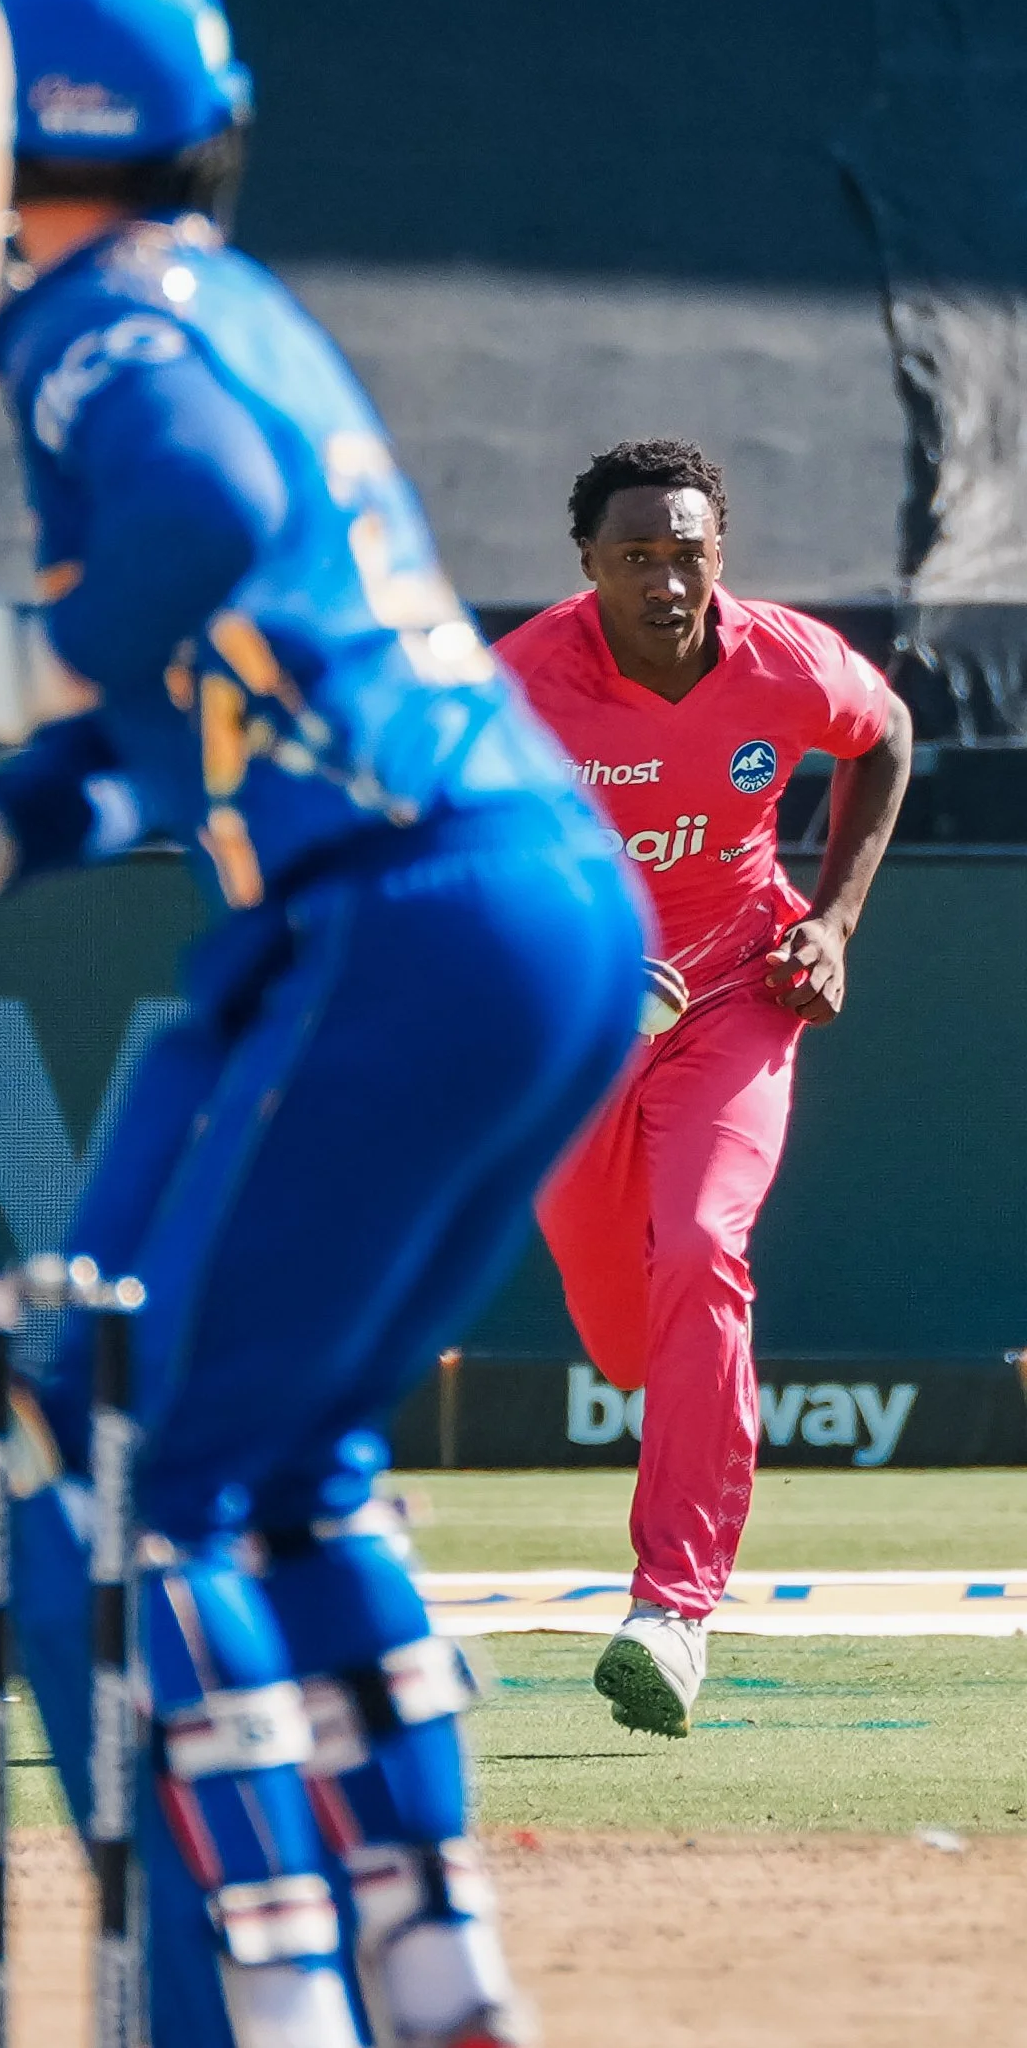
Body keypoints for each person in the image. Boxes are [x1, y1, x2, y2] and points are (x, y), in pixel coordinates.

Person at [0, 0, 644, 2048]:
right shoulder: (222, 303)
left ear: (22, 151)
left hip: (398, 910)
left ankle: (250, 1997)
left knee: (121, 1461)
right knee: (287, 1457)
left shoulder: (89, 329)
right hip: (498, 901)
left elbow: (204, 522)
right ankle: (430, 1967)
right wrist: (1, 822)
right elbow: (193, 673)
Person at [497, 438, 911, 1740]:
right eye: (636, 557)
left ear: (718, 552)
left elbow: (884, 734)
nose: (667, 581)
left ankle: (673, 1610)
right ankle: (662, 1396)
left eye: (687, 552)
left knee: (701, 1248)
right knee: (628, 1335)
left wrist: (833, 920)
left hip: (739, 996)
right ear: (590, 567)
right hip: (583, 1025)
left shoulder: (783, 660)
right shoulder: (520, 686)